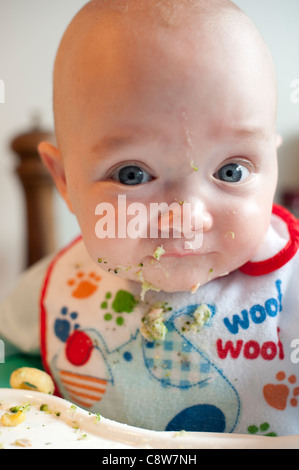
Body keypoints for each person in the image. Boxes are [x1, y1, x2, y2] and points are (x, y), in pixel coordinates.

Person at [1, 0, 299, 435]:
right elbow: (15, 360)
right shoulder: (56, 288)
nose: (186, 217)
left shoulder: (290, 282)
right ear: (64, 181)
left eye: (231, 171)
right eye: (132, 174)